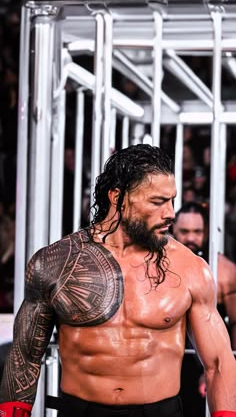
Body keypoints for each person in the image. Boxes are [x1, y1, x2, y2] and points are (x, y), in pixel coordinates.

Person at [0, 144, 236, 417]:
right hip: (82, 411)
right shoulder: (56, 264)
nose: (170, 213)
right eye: (158, 202)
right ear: (118, 198)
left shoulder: (190, 269)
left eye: (172, 200)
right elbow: (26, 357)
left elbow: (219, 363)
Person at [172, 201, 236, 417]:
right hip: (163, 364)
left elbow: (235, 325)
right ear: (173, 230)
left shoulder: (224, 271)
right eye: (184, 231)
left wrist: (221, 376)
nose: (191, 238)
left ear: (207, 232)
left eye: (197, 231)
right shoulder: (160, 266)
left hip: (205, 362)